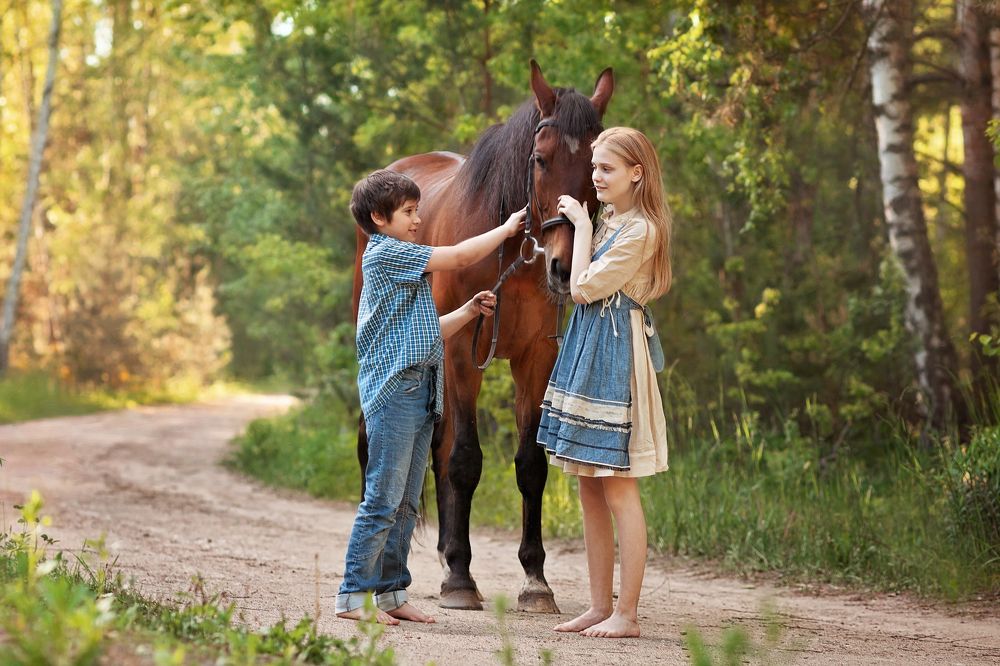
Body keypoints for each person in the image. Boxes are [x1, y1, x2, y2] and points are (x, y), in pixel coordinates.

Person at [338, 169, 526, 625]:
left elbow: (426, 332)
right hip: (395, 391)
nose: (418, 219)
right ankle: (353, 594)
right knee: (383, 498)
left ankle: (389, 591)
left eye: (417, 209)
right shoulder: (386, 254)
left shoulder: (404, 264)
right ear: (379, 219)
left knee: (406, 501)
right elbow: (460, 255)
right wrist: (506, 229)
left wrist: (466, 311)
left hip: (421, 388)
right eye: (408, 212)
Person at [537, 127, 672, 638]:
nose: (596, 177)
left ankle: (627, 614)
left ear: (637, 172)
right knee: (589, 488)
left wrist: (580, 226)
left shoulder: (641, 229)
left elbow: (583, 288)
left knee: (618, 487)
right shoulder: (614, 218)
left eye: (606, 169)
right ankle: (598, 605)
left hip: (615, 350)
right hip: (590, 346)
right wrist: (590, 222)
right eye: (595, 168)